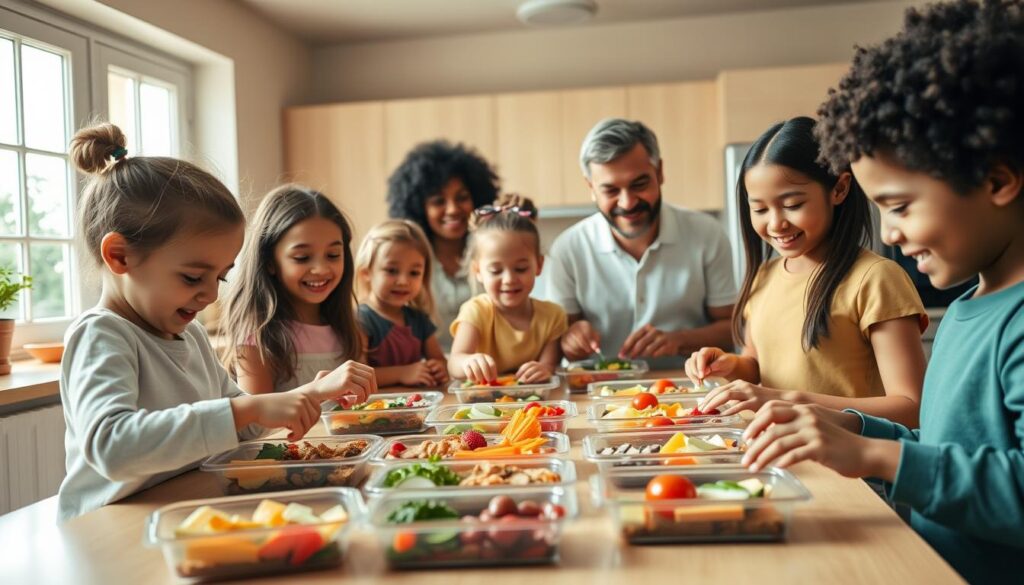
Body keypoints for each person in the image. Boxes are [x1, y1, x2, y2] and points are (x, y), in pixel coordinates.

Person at [739, 2, 1024, 582]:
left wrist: (874, 456)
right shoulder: (971, 305)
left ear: (997, 180)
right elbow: (942, 447)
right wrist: (850, 428)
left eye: (899, 206)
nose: (889, 232)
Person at [58, 125, 375, 521]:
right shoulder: (102, 335)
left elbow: (244, 422)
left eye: (220, 277)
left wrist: (314, 391)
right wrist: (247, 410)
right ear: (120, 257)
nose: (210, 295)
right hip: (105, 527)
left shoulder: (188, 334)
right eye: (193, 277)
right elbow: (112, 447)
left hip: (176, 509)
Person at [685, 117, 927, 427]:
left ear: (839, 189)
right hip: (786, 454)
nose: (775, 224)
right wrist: (729, 365)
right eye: (759, 209)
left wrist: (789, 400)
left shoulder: (876, 278)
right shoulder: (765, 277)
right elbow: (758, 366)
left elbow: (911, 407)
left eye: (792, 204)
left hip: (857, 469)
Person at [545, 118, 736, 369]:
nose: (628, 203)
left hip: (688, 390)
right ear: (591, 188)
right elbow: (556, 340)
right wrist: (571, 338)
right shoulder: (568, 248)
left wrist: (679, 340)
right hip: (596, 391)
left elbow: (733, 331)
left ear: (660, 173)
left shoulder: (706, 234)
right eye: (611, 190)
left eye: (639, 184)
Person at [222, 185, 368, 394]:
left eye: (333, 255)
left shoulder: (350, 328)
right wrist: (318, 390)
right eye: (302, 258)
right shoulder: (257, 336)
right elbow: (256, 419)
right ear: (270, 261)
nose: (321, 269)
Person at [387, 140, 499, 352]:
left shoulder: (491, 250)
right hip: (428, 372)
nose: (452, 209)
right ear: (419, 208)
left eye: (462, 198)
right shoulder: (409, 260)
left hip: (488, 370)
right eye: (439, 201)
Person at [448, 194, 567, 383]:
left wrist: (544, 369)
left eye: (520, 269)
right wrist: (468, 362)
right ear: (477, 271)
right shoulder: (476, 311)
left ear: (539, 265)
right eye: (496, 271)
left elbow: (550, 365)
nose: (509, 280)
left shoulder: (553, 316)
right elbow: (454, 363)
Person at [354, 219, 448, 387]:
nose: (403, 281)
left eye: (414, 272)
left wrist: (438, 368)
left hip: (417, 407)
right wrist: (402, 373)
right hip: (374, 409)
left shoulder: (419, 319)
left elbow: (440, 360)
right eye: (391, 270)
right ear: (366, 273)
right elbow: (358, 377)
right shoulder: (361, 320)